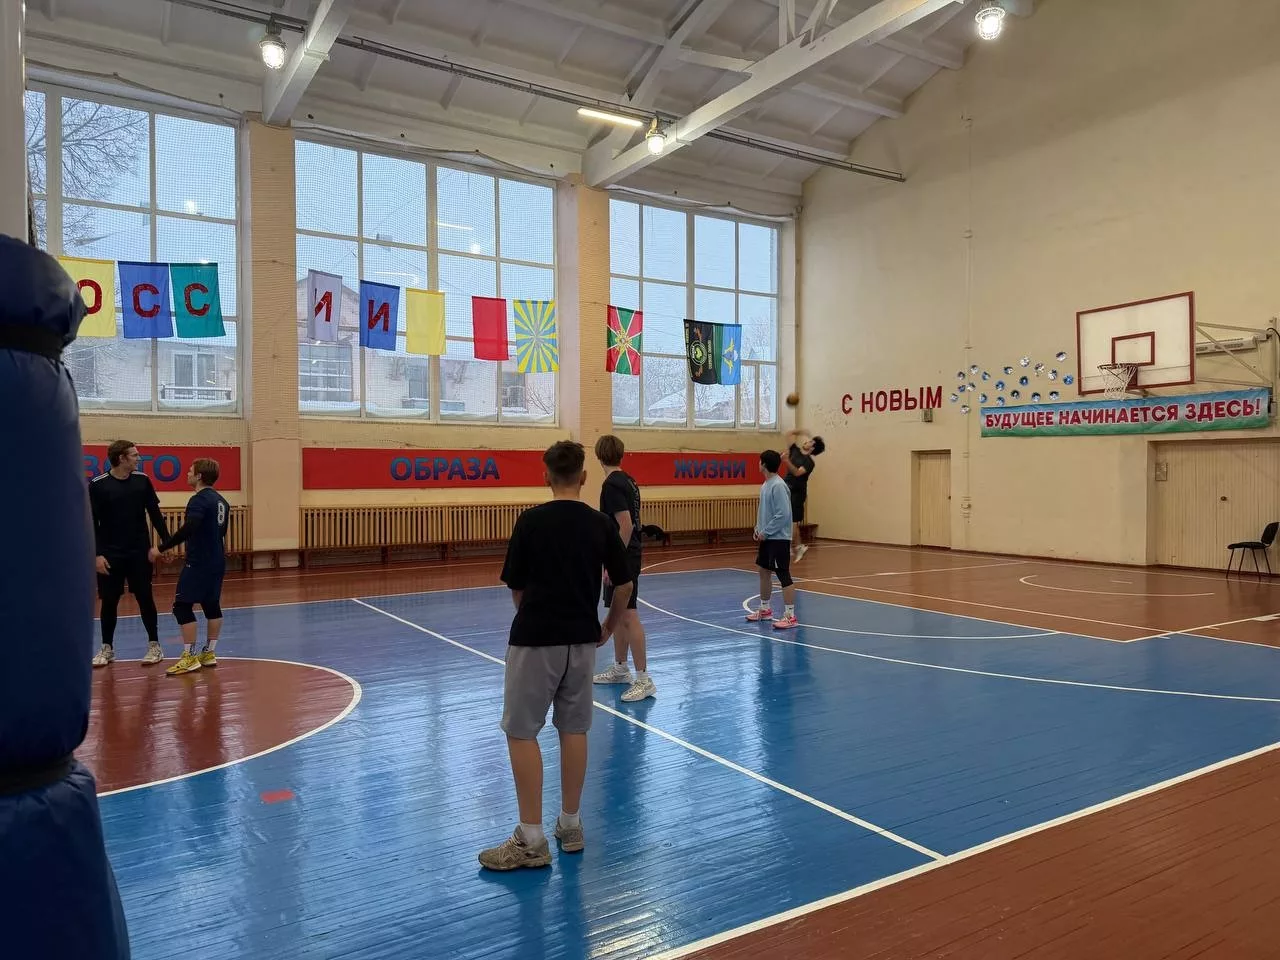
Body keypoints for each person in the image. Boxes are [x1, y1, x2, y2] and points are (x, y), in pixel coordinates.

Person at [480, 440, 633, 871]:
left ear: (546, 477)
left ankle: (531, 838)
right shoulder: (600, 524)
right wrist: (607, 626)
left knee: (521, 731)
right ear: (583, 477)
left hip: (535, 640)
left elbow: (517, 588)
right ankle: (571, 824)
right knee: (574, 728)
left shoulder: (530, 522)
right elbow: (623, 585)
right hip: (582, 643)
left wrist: (533, 616)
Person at [90, 440, 169, 667]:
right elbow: (91, 523)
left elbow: (155, 514)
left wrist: (166, 543)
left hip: (138, 553)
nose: (138, 458)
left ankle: (154, 645)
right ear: (121, 458)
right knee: (109, 601)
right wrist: (96, 555)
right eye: (134, 455)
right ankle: (107, 648)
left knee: (145, 597)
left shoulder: (142, 481)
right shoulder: (97, 485)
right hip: (109, 555)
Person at [591, 434, 655, 702]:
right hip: (627, 554)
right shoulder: (628, 480)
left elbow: (626, 525)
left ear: (598, 456)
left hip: (625, 556)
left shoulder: (612, 484)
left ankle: (644, 679)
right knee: (616, 612)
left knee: (628, 615)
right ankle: (620, 668)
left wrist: (613, 561)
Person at [154, 459, 230, 677]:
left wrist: (162, 547)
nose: (187, 474)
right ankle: (209, 653)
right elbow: (219, 532)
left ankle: (189, 657)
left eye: (190, 471)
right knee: (211, 605)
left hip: (199, 563)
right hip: (217, 560)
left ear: (199, 476)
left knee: (182, 606)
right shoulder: (222, 501)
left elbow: (190, 527)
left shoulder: (198, 500)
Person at [747, 450, 797, 629]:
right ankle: (765, 609)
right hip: (767, 538)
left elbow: (783, 514)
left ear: (764, 464)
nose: (758, 463)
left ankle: (790, 616)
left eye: (760, 461)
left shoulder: (778, 485)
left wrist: (766, 531)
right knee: (763, 571)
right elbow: (764, 511)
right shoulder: (766, 484)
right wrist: (758, 528)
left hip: (778, 538)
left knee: (783, 574)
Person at [783, 429, 824, 561]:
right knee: (787, 519)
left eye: (810, 442)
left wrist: (786, 461)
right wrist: (802, 431)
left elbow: (797, 473)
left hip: (797, 492)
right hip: (786, 488)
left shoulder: (809, 462)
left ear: (812, 448)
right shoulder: (795, 451)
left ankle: (793, 546)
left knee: (793, 521)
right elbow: (789, 434)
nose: (807, 441)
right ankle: (797, 546)